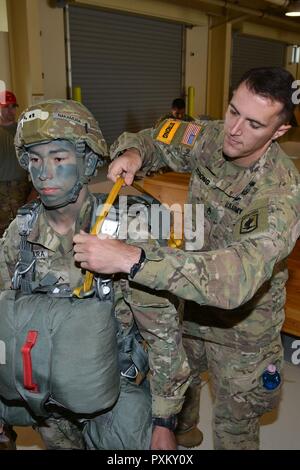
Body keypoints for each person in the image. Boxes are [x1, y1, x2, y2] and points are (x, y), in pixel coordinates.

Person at [73, 67, 300, 450]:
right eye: (232, 111)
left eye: (254, 124)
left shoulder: (280, 193)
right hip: (188, 308)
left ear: (278, 132)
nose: (234, 129)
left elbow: (234, 279)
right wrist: (134, 152)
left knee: (235, 429)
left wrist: (133, 258)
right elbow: (157, 138)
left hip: (242, 332)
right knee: (178, 407)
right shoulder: (213, 136)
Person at [0, 99, 190, 450]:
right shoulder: (19, 233)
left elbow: (162, 332)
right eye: (35, 160)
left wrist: (165, 420)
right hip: (46, 395)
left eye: (59, 159)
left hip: (111, 393)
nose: (44, 172)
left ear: (87, 163)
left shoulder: (125, 233)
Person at [0, 90, 32, 236]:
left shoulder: (23, 130)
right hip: (2, 187)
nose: (10, 110)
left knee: (23, 223)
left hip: (22, 184)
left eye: (13, 106)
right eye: (5, 107)